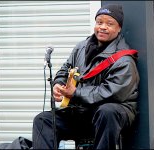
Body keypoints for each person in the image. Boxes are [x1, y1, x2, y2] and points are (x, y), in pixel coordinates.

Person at [32, 4, 140, 149]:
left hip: (113, 115)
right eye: (99, 22)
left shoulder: (124, 60)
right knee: (43, 120)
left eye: (109, 24)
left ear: (119, 28)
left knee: (107, 111)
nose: (102, 27)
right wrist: (58, 84)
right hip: (82, 112)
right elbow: (65, 69)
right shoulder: (81, 47)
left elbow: (111, 93)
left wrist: (75, 93)